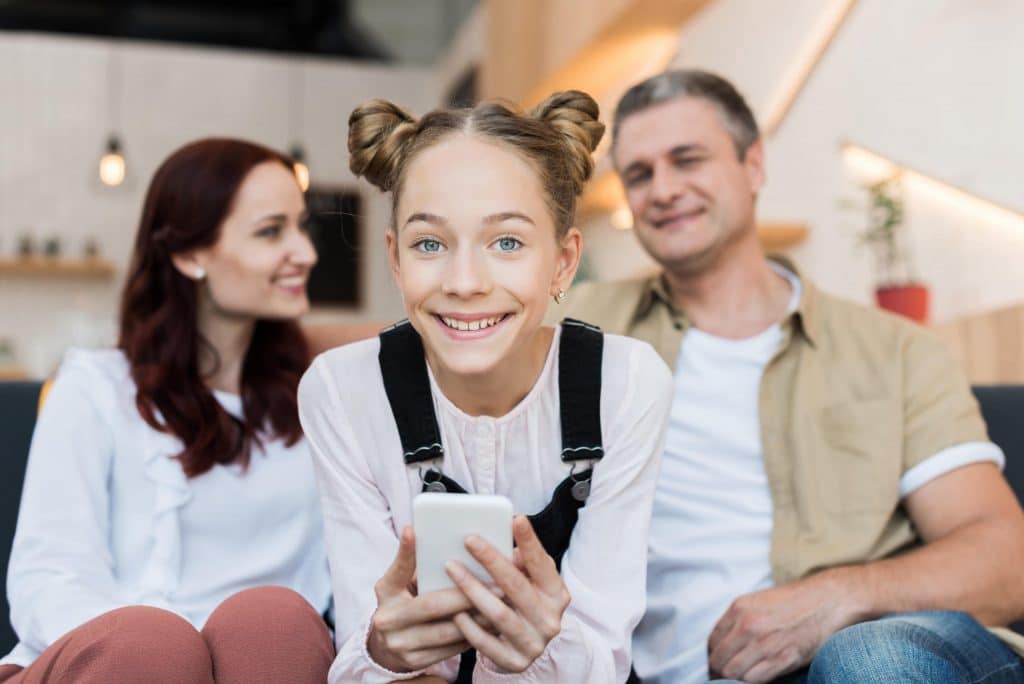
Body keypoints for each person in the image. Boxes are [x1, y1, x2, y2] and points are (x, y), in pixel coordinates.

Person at [561, 69, 1024, 683]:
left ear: (753, 165)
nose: (663, 189)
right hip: (676, 671)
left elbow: (1004, 560)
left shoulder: (893, 349)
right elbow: (438, 330)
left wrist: (836, 597)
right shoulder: (578, 327)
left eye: (687, 159)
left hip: (868, 656)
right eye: (640, 174)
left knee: (867, 658)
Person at [297, 91, 672, 684]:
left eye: (507, 243)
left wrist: (548, 647)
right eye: (429, 244)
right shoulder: (342, 392)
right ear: (396, 261)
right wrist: (386, 654)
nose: (465, 282)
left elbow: (602, 661)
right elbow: (360, 645)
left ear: (563, 262)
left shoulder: (625, 384)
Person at [0, 138, 334, 683]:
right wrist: (181, 657)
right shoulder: (94, 387)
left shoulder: (318, 397)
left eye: (302, 226)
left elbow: (412, 339)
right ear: (188, 254)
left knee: (275, 624)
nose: (306, 252)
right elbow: (48, 578)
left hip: (260, 665)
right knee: (150, 646)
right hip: (113, 663)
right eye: (271, 231)